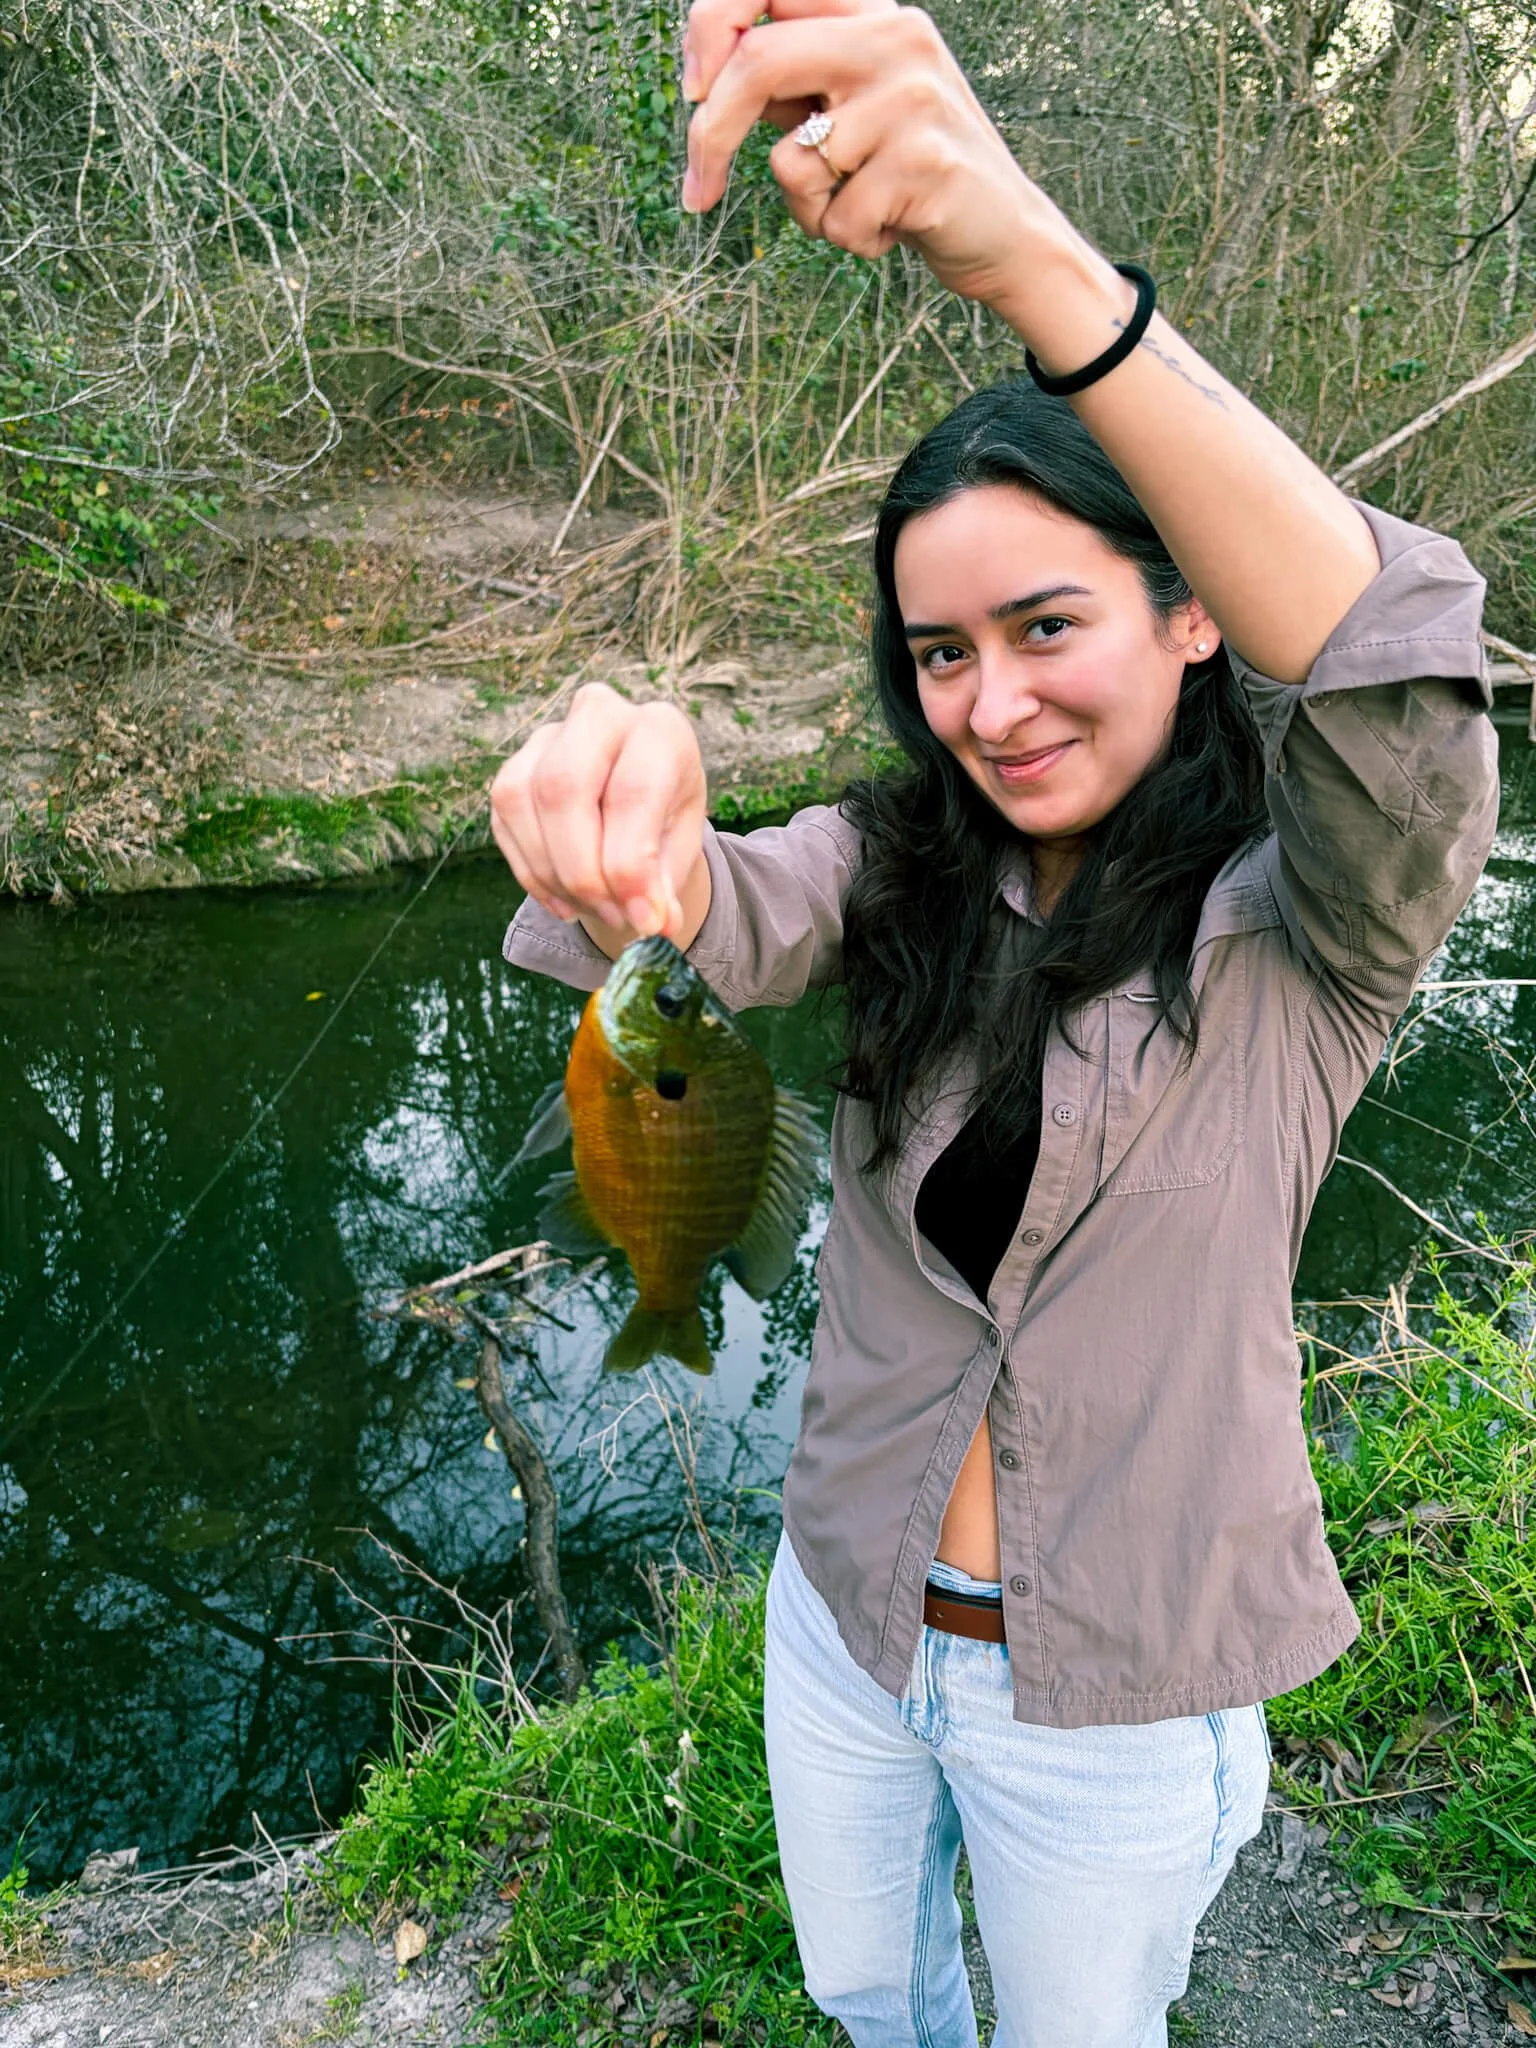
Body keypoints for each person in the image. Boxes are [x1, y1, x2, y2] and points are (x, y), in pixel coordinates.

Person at [490, 2, 1501, 2041]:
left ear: (1190, 609)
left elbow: (1396, 675)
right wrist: (628, 845)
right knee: (880, 2005)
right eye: (941, 651)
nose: (992, 700)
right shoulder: (899, 858)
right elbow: (711, 915)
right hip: (844, 1620)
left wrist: (1038, 265)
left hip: (1117, 1695)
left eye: (1049, 626)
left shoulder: (1316, 931)